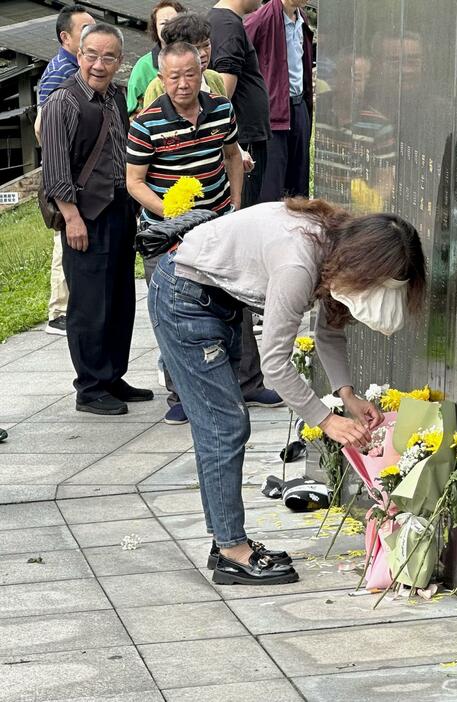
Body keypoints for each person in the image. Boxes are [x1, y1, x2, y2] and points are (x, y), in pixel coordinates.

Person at [147, 198, 426, 585]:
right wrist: (326, 420)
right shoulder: (298, 263)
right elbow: (274, 365)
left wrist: (347, 395)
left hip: (213, 298)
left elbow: (329, 331)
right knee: (224, 426)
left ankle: (225, 541)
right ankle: (231, 551)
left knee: (220, 425)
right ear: (364, 265)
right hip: (185, 298)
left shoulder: (335, 245)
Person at [127, 41, 243, 425]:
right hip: (165, 234)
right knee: (173, 313)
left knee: (224, 303)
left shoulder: (222, 109)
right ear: (161, 78)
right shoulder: (146, 123)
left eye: (189, 74)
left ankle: (230, 380)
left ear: (201, 72)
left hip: (217, 224)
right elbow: (134, 182)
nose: (182, 84)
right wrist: (172, 214)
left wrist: (235, 205)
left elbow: (231, 155)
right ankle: (180, 394)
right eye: (173, 77)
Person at [41, 23, 153, 416]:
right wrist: (71, 218)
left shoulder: (117, 97)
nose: (98, 64)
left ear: (120, 62)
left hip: (120, 210)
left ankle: (112, 376)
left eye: (108, 57)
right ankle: (89, 387)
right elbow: (55, 170)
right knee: (89, 305)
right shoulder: (63, 102)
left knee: (119, 299)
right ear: (79, 55)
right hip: (84, 217)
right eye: (91, 55)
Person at [208, 0, 282, 409]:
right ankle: (243, 375)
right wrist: (233, 152)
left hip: (242, 149)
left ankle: (245, 373)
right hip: (241, 151)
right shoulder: (227, 24)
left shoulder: (228, 22)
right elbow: (224, 92)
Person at [35, 4, 95, 337]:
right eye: (84, 30)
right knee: (65, 237)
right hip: (64, 172)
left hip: (74, 170)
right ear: (65, 37)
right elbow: (43, 129)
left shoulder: (76, 66)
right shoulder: (61, 72)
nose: (91, 34)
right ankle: (59, 311)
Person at [245, 0, 313, 202]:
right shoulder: (261, 19)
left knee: (299, 179)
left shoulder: (302, 17)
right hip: (273, 112)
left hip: (298, 106)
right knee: (272, 182)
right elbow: (240, 55)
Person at [143, 12, 225, 105]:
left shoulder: (214, 78)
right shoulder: (157, 88)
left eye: (206, 45)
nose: (203, 53)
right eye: (196, 48)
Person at [126, 0, 185, 117]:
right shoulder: (144, 65)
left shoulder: (196, 58)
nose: (169, 27)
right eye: (163, 23)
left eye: (174, 22)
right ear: (155, 28)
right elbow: (132, 111)